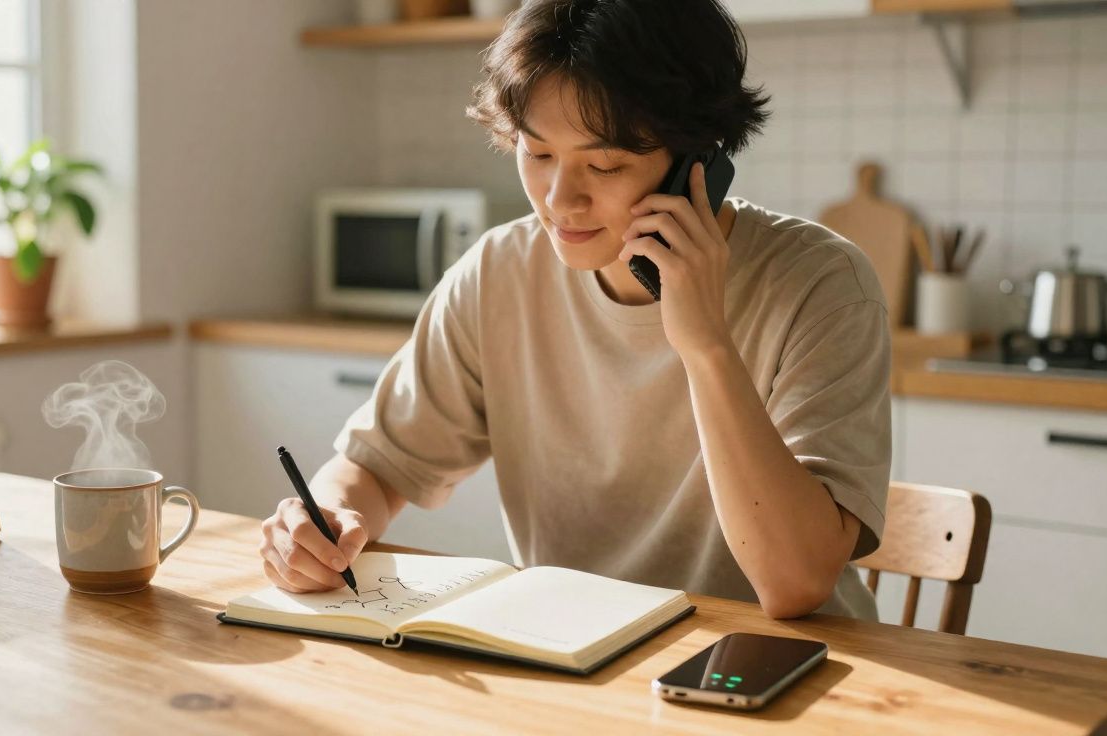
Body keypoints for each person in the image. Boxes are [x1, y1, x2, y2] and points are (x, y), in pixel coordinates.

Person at [259, 0, 891, 620]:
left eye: (605, 163)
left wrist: (704, 344)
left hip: (780, 676)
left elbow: (795, 585)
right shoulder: (498, 273)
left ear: (697, 161)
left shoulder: (821, 284)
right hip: (579, 662)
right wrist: (323, 521)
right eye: (537, 155)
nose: (561, 201)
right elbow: (372, 469)